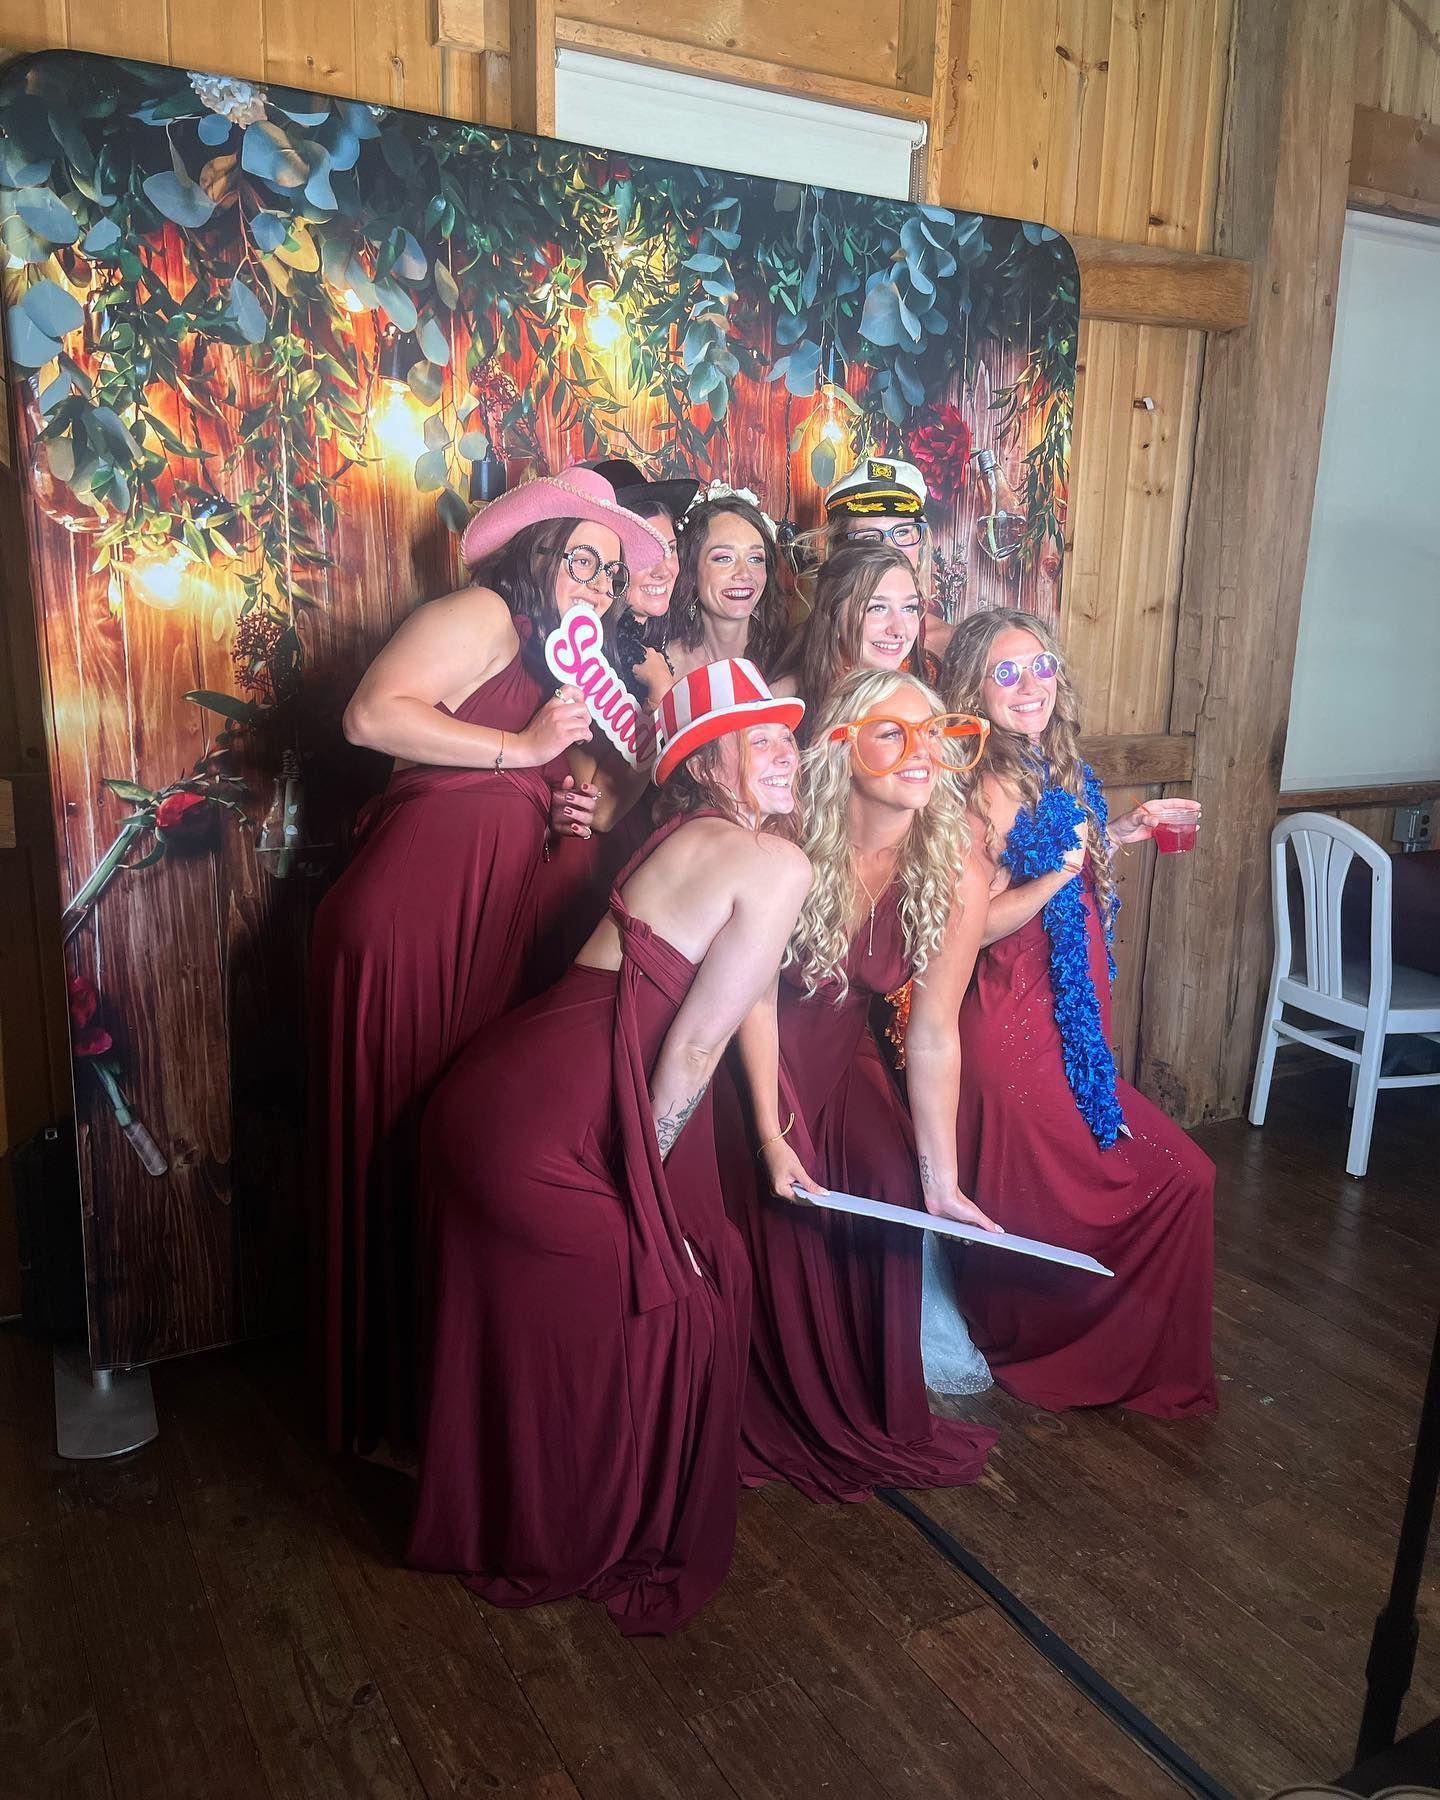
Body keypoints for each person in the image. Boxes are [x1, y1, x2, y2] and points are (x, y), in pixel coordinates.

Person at [408, 661, 812, 1635]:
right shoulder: (776, 863)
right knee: (665, 1309)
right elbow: (696, 1046)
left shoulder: (688, 835)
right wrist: (645, 1205)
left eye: (785, 734)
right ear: (708, 764)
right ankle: (573, 1528)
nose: (784, 750)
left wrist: (759, 1136)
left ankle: (521, 1509)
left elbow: (721, 1011)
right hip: (541, 1138)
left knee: (664, 1291)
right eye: (756, 738)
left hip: (491, 1095)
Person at [310, 467, 667, 1454]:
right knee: (393, 1133)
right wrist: (518, 750)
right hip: (410, 915)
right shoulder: (481, 615)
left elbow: (598, 777)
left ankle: (432, 1396)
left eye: (610, 568)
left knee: (443, 1137)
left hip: (488, 928)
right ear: (538, 552)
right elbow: (371, 716)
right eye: (582, 558)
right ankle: (384, 1399)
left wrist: (582, 798)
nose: (596, 580)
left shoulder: (570, 666)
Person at [722, 667, 999, 1499]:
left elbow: (934, 1029)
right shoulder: (785, 832)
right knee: (767, 1194)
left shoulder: (956, 869)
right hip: (741, 1053)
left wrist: (940, 1179)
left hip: (837, 1061)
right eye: (893, 732)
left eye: (935, 732)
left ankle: (857, 1397)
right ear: (843, 746)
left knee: (890, 1183)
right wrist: (771, 1130)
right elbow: (746, 995)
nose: (922, 752)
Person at [937, 608, 1216, 1418]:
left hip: (1066, 1023)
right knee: (1157, 1185)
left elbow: (1064, 852)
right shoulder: (980, 782)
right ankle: (1062, 1350)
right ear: (974, 690)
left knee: (1177, 1181)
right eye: (1006, 672)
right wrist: (1065, 872)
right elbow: (977, 922)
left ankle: (1120, 1353)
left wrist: (1119, 832)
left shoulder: (1046, 762)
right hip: (1017, 1031)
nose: (1031, 687)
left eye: (1041, 667)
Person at [771, 542, 929, 719]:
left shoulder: (921, 697)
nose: (899, 629)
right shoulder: (784, 702)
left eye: (909, 608)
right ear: (833, 615)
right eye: (877, 608)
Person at [820, 458, 955, 656]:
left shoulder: (951, 649)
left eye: (902, 532)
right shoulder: (802, 654)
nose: (890, 550)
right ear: (839, 551)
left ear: (921, 542)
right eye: (870, 537)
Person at [665, 490, 789, 681]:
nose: (744, 574)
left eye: (755, 558)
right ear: (691, 568)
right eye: (724, 558)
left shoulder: (788, 661)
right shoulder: (665, 667)